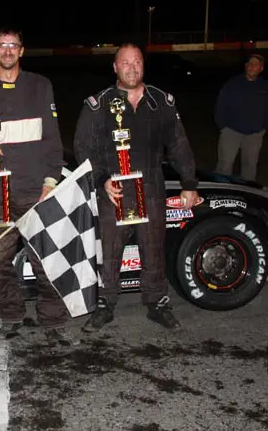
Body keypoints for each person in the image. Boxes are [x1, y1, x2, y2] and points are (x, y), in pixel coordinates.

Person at [0, 28, 75, 346]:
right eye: (2, 45)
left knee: (46, 260)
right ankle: (11, 315)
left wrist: (51, 180)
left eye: (13, 45)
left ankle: (53, 319)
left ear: (22, 51)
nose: (8, 50)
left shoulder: (41, 86)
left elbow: (52, 139)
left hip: (35, 190)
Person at [74, 43, 198, 331]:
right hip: (113, 191)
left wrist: (189, 183)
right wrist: (102, 179)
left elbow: (178, 144)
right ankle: (104, 304)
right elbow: (83, 147)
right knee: (109, 251)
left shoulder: (161, 101)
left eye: (137, 62)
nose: (132, 68)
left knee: (154, 248)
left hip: (151, 188)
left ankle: (157, 303)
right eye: (126, 63)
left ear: (144, 65)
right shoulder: (98, 104)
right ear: (115, 67)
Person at [213, 54, 268, 182]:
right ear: (246, 66)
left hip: (254, 134)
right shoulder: (233, 83)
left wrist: (265, 128)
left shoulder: (265, 87)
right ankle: (222, 190)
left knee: (250, 167)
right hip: (231, 131)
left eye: (256, 65)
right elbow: (221, 105)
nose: (252, 67)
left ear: (261, 68)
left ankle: (246, 190)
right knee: (224, 165)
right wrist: (223, 127)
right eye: (250, 64)